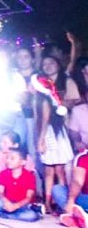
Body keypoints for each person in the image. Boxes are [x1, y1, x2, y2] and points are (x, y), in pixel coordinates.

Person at [34, 61, 74, 213]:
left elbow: (44, 121)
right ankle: (50, 202)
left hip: (51, 135)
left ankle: (58, 201)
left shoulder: (45, 100)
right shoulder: (43, 98)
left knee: (56, 171)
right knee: (53, 171)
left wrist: (41, 140)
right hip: (52, 134)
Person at [0, 146, 39, 221]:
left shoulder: (29, 176)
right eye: (7, 158)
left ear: (23, 162)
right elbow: (0, 192)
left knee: (31, 216)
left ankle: (0, 214)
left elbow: (28, 197)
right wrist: (6, 202)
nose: (8, 161)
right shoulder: (3, 174)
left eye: (12, 158)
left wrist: (16, 206)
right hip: (6, 203)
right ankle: (13, 214)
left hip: (21, 205)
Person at [55, 148, 88, 228]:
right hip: (84, 198)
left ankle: (77, 217)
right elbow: (77, 181)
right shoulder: (82, 157)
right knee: (57, 189)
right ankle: (77, 216)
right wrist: (71, 200)